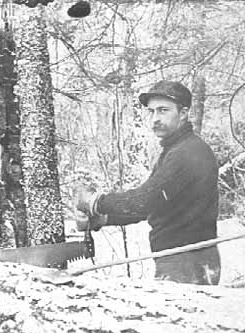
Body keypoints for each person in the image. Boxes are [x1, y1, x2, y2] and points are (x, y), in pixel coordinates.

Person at [76, 80, 221, 285]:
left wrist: (95, 202)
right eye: (151, 112)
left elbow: (145, 200)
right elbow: (152, 206)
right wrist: (104, 219)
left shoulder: (188, 153)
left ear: (183, 113)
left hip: (189, 260)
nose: (155, 119)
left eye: (163, 111)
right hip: (180, 258)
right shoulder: (175, 150)